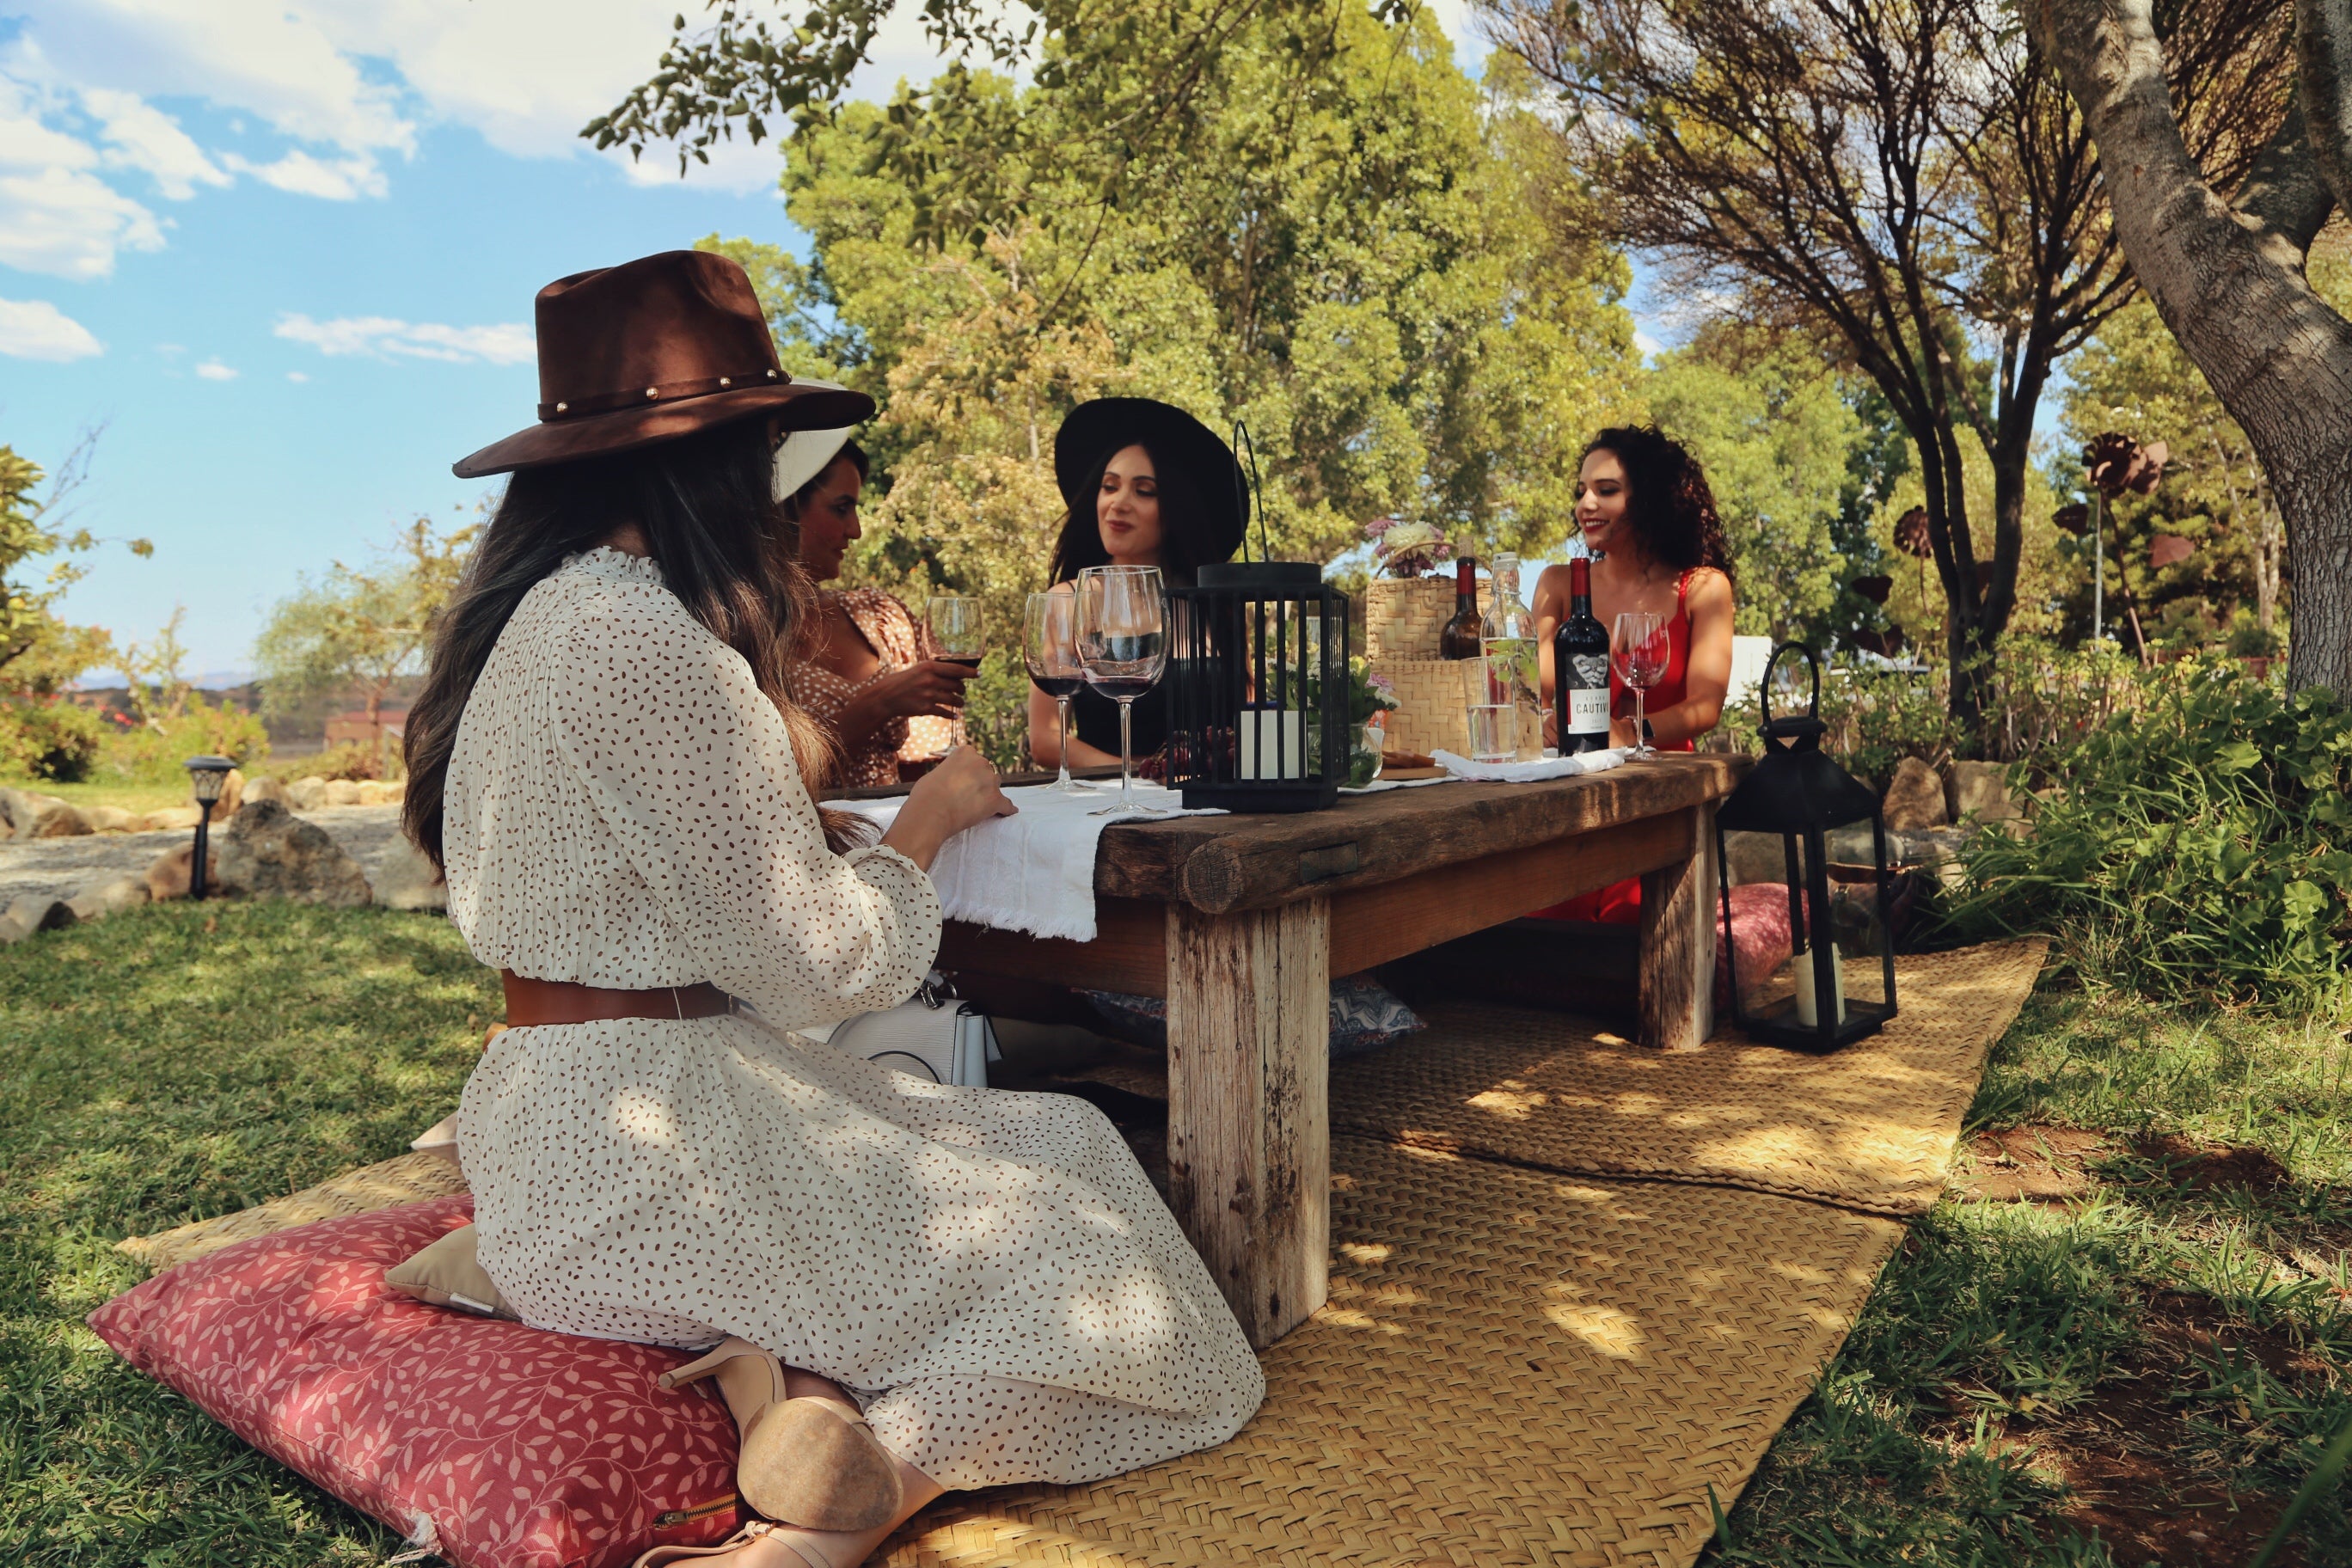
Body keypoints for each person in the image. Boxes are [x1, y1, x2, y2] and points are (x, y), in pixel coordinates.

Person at [401, 252, 1265, 1568]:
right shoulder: (654, 645)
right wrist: (919, 834)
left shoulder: (531, 623)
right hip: (654, 1150)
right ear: (717, 463)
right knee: (1120, 1281)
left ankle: (765, 1369)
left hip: (548, 1123)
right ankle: (844, 1514)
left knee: (1057, 1140)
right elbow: (821, 971)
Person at [1530, 426, 1736, 923]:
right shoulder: (1559, 584)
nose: (1585, 504)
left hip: (1659, 806)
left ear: (1650, 499)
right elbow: (1530, 689)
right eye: (1581, 491)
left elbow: (1705, 708)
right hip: (1570, 802)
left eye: (1606, 490)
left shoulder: (1702, 588)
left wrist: (1629, 732)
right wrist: (1539, 721)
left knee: (1635, 921)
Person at [1025, 399, 1246, 772]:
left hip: (1218, 806)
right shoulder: (1067, 600)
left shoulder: (1212, 603)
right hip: (1110, 805)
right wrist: (1142, 774)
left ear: (1177, 510)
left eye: (1144, 491)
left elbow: (1245, 720)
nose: (1118, 503)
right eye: (1109, 486)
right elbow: (1046, 741)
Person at [774, 420, 973, 787]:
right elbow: (768, 789)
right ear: (785, 508)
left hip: (899, 834)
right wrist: (878, 704)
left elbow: (926, 766)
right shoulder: (736, 638)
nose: (856, 530)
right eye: (841, 508)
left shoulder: (881, 618)